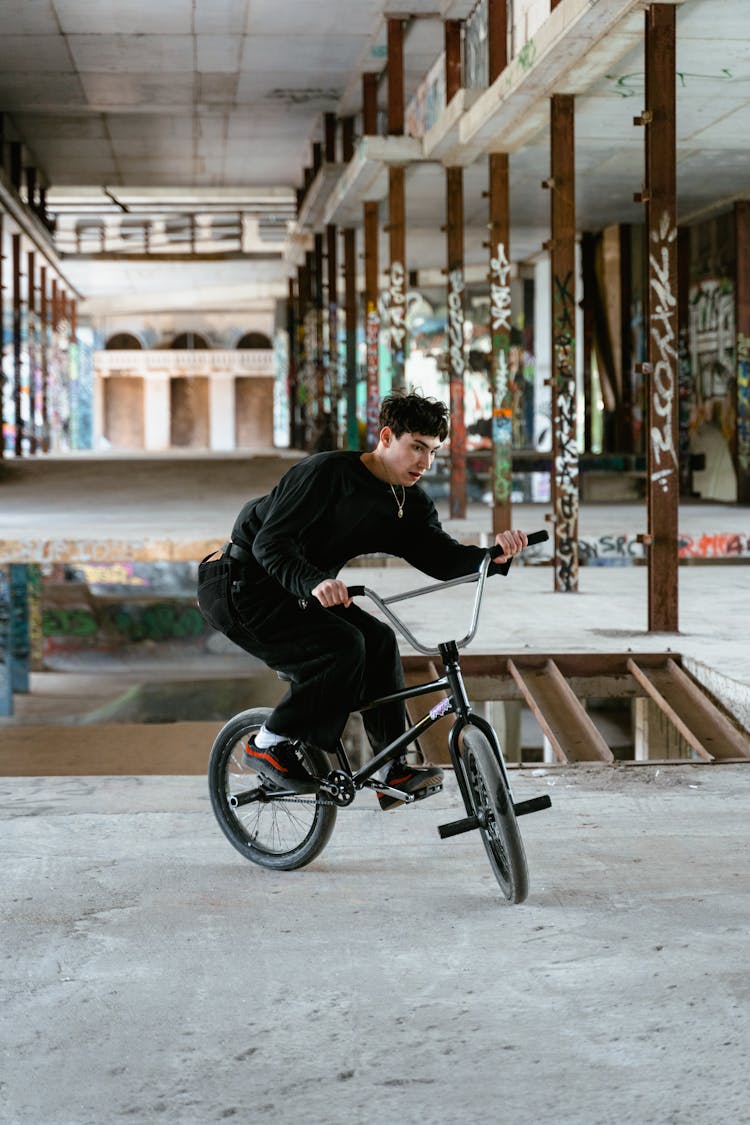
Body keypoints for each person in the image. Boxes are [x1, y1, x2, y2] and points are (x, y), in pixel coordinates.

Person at [197, 392, 527, 809]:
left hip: (298, 591)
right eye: (417, 448)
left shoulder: (408, 502)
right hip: (239, 585)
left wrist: (491, 558)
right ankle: (268, 743)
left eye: (434, 452)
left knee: (379, 640)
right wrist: (315, 582)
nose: (425, 463)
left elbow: (440, 557)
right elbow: (270, 543)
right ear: (387, 437)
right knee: (342, 646)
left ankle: (392, 770)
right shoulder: (326, 474)